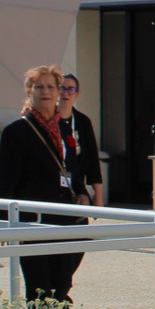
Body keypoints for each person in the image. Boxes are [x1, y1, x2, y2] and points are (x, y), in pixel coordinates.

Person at [0, 65, 81, 306]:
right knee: (39, 287)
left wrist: (82, 192)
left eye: (51, 86)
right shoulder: (16, 131)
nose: (45, 92)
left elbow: (73, 167)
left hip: (66, 216)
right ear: (29, 91)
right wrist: (6, 223)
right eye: (39, 87)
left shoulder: (64, 127)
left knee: (62, 280)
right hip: (33, 221)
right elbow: (5, 183)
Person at [57, 73, 104, 208]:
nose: (66, 93)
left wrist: (98, 195)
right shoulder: (48, 121)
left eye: (71, 89)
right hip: (53, 186)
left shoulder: (83, 121)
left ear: (77, 93)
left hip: (76, 185)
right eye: (62, 88)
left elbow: (92, 159)